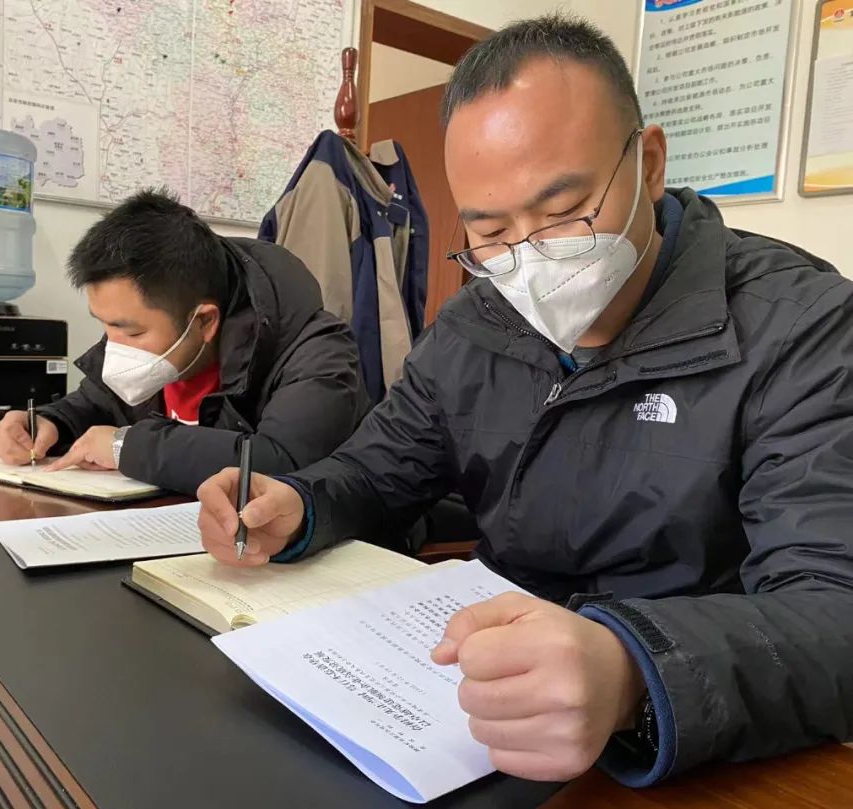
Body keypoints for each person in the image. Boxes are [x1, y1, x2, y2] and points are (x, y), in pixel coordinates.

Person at [197, 14, 853, 788]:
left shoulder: (802, 327)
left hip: (685, 737)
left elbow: (833, 610)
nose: (530, 259)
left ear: (648, 164)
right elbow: (378, 469)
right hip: (477, 701)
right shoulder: (474, 323)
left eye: (563, 212)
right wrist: (301, 503)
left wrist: (633, 667)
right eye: (491, 232)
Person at [0, 188, 368, 496]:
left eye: (132, 332)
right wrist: (49, 422)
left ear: (204, 321)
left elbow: (282, 462)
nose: (114, 346)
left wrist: (127, 447)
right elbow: (94, 403)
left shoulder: (316, 352)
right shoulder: (151, 342)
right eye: (105, 326)